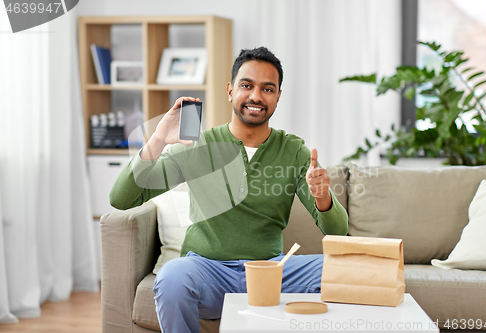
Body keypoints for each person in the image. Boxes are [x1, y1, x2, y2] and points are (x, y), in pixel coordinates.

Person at [109, 46, 348, 333]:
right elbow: (121, 200)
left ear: (278, 97)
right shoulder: (197, 145)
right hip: (207, 272)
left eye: (267, 89)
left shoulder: (294, 151)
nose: (256, 96)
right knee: (173, 276)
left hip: (268, 274)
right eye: (246, 85)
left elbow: (338, 232)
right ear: (230, 91)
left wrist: (323, 198)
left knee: (341, 269)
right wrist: (159, 138)